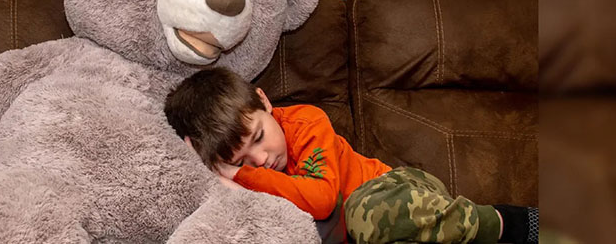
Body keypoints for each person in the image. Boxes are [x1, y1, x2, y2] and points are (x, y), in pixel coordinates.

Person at [164, 68, 538, 243]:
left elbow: (323, 200)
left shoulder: (306, 122)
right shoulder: (236, 178)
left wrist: (238, 174)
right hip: (370, 238)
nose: (260, 160)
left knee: (362, 211)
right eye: (241, 160)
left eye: (259, 137)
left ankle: (507, 222)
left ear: (264, 101)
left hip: (396, 191)